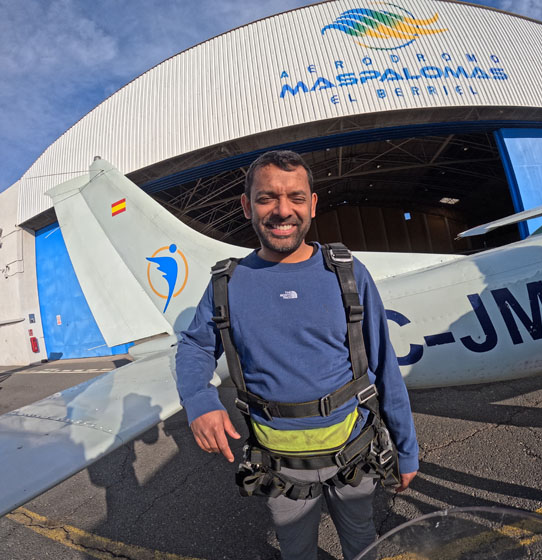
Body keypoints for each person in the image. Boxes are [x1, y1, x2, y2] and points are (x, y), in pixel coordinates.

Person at [175, 150, 419, 560]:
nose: (283, 210)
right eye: (267, 198)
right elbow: (195, 344)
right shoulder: (227, 284)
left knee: (362, 542)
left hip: (354, 453)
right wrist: (199, 400)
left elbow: (383, 364)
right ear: (247, 205)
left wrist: (406, 449)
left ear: (313, 204)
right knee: (296, 550)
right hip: (280, 466)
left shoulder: (346, 271)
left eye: (296, 197)